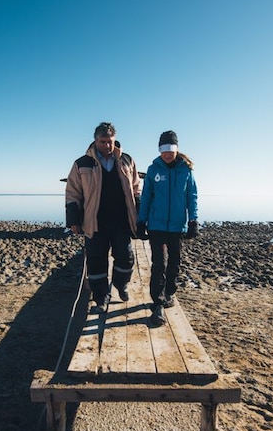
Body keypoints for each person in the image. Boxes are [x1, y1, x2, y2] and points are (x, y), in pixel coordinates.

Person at [65, 122, 142, 313]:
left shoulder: (126, 160)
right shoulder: (82, 163)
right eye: (103, 142)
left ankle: (120, 284)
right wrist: (73, 220)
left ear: (115, 141)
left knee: (125, 257)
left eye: (110, 141)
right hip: (94, 221)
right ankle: (100, 298)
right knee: (96, 260)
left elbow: (136, 189)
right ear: (95, 140)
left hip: (122, 220)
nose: (107, 146)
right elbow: (73, 192)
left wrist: (141, 217)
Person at [136, 130, 198, 326]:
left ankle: (170, 293)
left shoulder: (186, 170)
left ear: (176, 149)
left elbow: (192, 197)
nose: (167, 154)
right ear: (159, 150)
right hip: (156, 225)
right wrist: (141, 221)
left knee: (174, 263)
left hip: (177, 226)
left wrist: (193, 221)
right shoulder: (154, 169)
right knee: (159, 264)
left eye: (170, 150)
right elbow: (146, 197)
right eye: (164, 150)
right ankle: (158, 302)